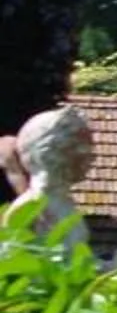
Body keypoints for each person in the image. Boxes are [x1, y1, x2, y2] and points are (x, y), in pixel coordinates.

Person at [9, 106, 95, 252]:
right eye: (79, 145)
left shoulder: (65, 204)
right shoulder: (28, 209)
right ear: (50, 150)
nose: (89, 154)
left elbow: (74, 262)